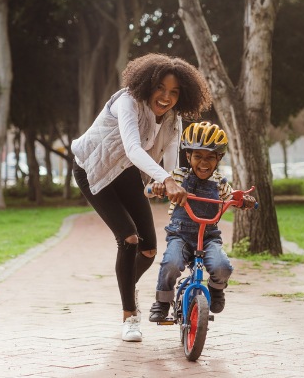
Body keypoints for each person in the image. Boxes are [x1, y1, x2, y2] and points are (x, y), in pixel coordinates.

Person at [71, 53, 212, 342]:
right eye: (160, 87)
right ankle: (129, 316)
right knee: (129, 239)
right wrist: (165, 179)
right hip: (92, 169)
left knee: (148, 250)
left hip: (124, 173)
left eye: (174, 92)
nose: (165, 97)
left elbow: (172, 158)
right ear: (147, 84)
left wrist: (172, 180)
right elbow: (133, 148)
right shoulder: (127, 101)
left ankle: (126, 286)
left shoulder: (173, 119)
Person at [143, 122, 256, 323]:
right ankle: (162, 301)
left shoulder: (220, 182)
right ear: (188, 157)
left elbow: (233, 197)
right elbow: (148, 190)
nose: (204, 163)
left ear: (219, 158)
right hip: (181, 235)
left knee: (223, 267)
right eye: (198, 156)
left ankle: (216, 289)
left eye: (210, 157)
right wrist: (157, 188)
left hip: (209, 236)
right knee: (171, 263)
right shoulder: (177, 176)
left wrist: (244, 201)